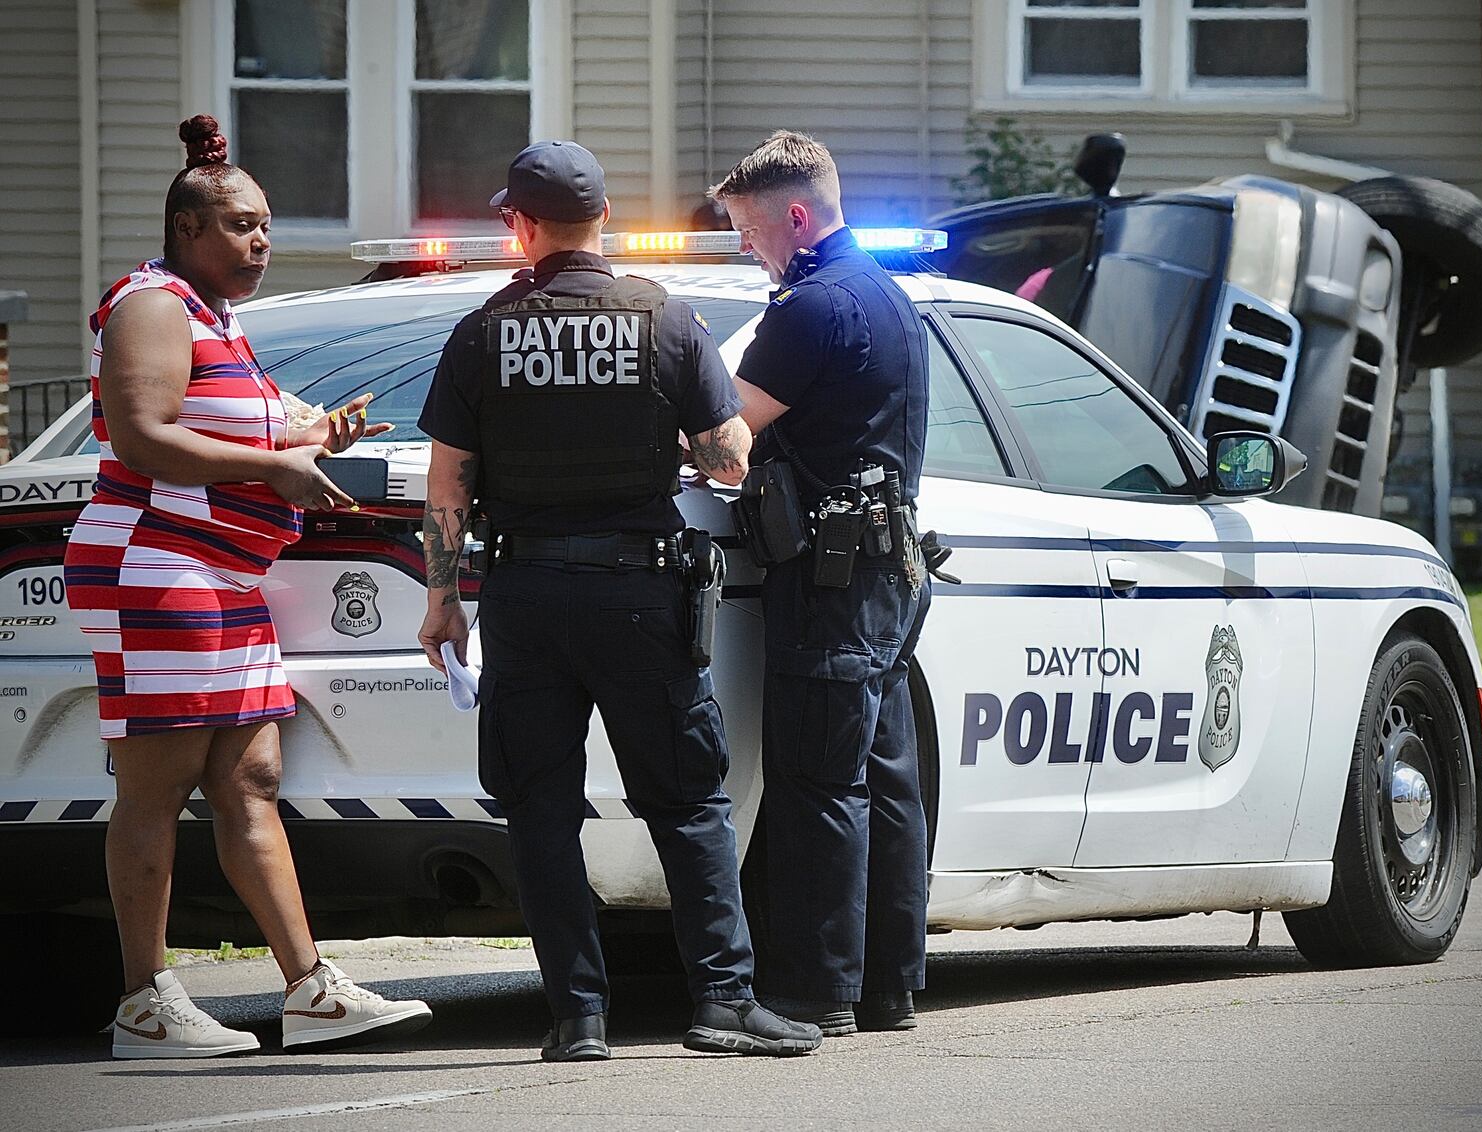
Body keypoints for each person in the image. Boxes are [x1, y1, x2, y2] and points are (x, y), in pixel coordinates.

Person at [415, 139, 822, 1062]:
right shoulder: (666, 320)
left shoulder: (483, 331)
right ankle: (722, 1003)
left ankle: (577, 1017)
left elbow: (448, 485)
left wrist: (446, 599)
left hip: (524, 597)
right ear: (605, 222)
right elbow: (726, 458)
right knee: (686, 802)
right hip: (642, 594)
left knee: (542, 808)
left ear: (519, 226)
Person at [63, 116, 432, 1059]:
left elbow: (237, 441)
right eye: (240, 226)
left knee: (251, 775)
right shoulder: (152, 304)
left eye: (266, 225)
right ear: (189, 229)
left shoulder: (221, 321)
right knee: (157, 786)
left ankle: (310, 990)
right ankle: (144, 1002)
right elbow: (142, 436)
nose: (260, 241)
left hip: (224, 573)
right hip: (156, 562)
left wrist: (312, 441)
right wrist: (272, 470)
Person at [709, 131, 932, 1036]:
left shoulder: (807, 310)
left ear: (796, 219)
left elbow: (726, 441)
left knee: (817, 782)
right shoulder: (885, 295)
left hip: (834, 576)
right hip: (887, 569)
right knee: (885, 778)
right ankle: (887, 987)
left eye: (749, 232)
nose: (746, 248)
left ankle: (813, 992)